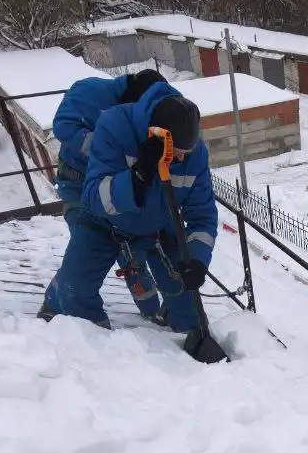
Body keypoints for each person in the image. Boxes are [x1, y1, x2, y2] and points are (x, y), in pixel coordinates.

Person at [40, 82, 217, 344]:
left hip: (158, 224)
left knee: (185, 297)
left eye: (187, 152)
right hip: (103, 225)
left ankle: (189, 341)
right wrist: (135, 179)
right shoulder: (114, 126)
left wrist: (198, 261)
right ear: (158, 136)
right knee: (75, 289)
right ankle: (100, 349)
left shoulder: (195, 154)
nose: (182, 158)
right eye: (177, 152)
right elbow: (94, 197)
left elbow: (202, 215)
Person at [49, 68, 166, 322]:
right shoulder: (88, 91)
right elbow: (63, 127)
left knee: (132, 255)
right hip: (78, 186)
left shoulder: (143, 114)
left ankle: (152, 312)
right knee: (84, 254)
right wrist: (108, 145)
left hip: (115, 187)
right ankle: (53, 305)